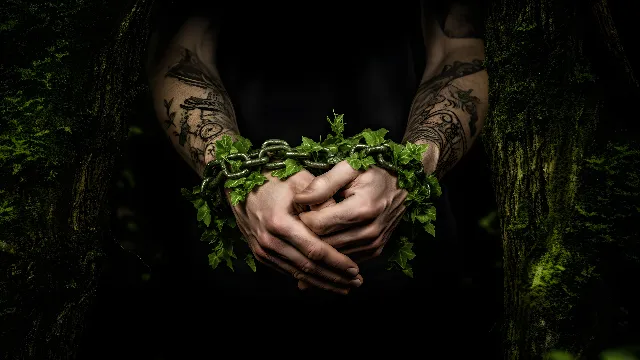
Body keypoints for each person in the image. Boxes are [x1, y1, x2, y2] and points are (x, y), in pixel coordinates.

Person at [147, 0, 488, 303]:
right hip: (233, 257)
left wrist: (411, 168)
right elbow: (180, 50)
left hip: (408, 255)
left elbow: (459, 50)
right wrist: (238, 177)